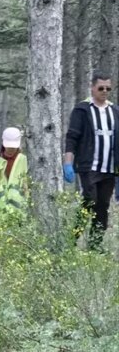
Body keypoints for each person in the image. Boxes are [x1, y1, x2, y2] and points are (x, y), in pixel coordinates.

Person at [64, 74, 117, 248]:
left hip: (109, 167)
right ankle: (72, 239)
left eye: (108, 88)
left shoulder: (114, 111)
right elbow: (72, 137)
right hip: (89, 166)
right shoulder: (83, 109)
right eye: (101, 88)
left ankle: (95, 245)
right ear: (93, 88)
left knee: (102, 205)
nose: (104, 92)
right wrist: (68, 162)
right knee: (89, 199)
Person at [0, 127, 28, 211]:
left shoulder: (23, 159)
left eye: (13, 147)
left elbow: (25, 180)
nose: (11, 149)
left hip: (18, 207)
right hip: (0, 206)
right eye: (9, 147)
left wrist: (27, 198)